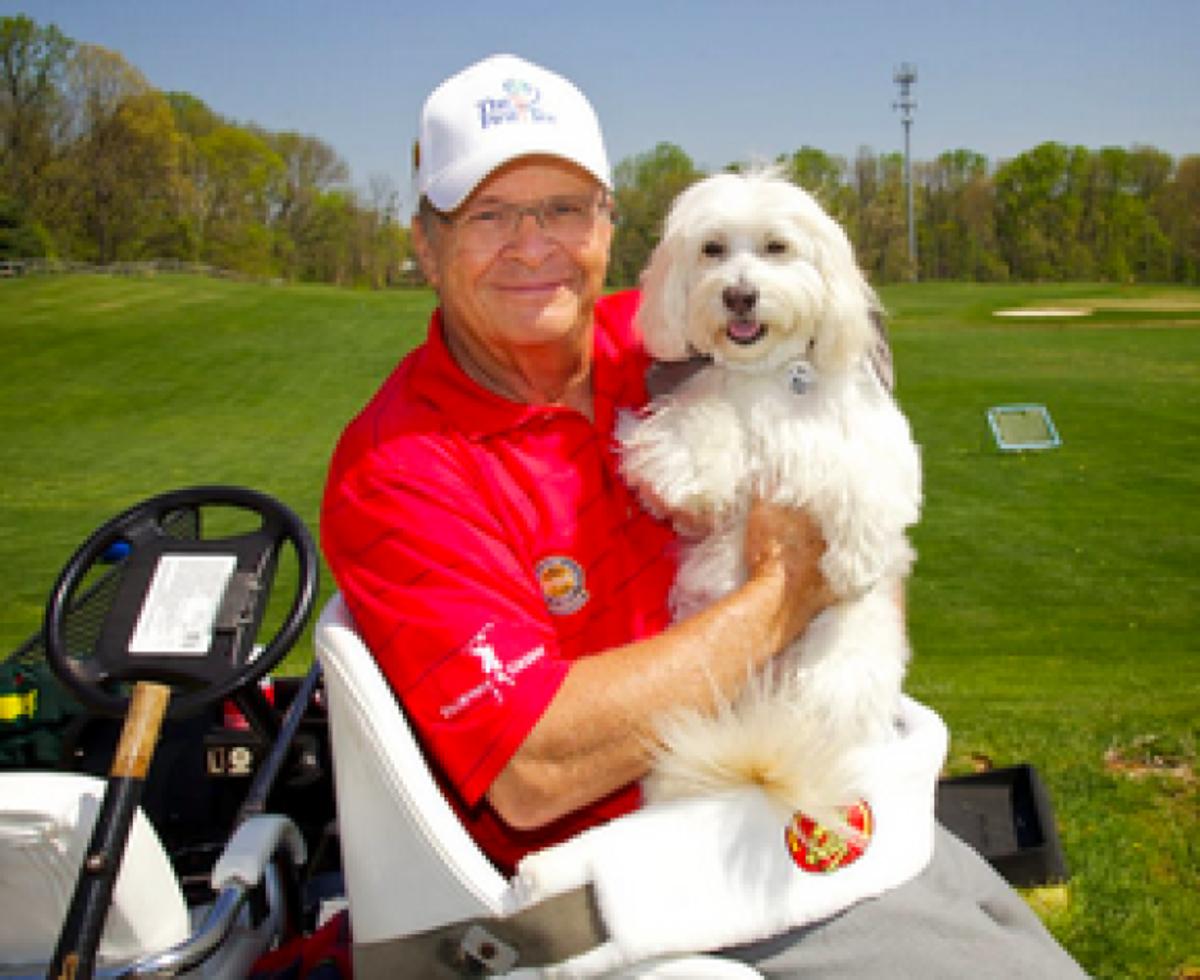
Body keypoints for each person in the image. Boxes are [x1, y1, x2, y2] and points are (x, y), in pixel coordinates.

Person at [322, 53, 1086, 977]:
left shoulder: (669, 328)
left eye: (564, 209)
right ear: (426, 242)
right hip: (662, 882)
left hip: (811, 795)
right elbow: (535, 771)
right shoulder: (399, 473)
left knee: (1025, 947)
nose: (533, 244)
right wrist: (789, 590)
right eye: (488, 214)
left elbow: (850, 363)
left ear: (608, 226)